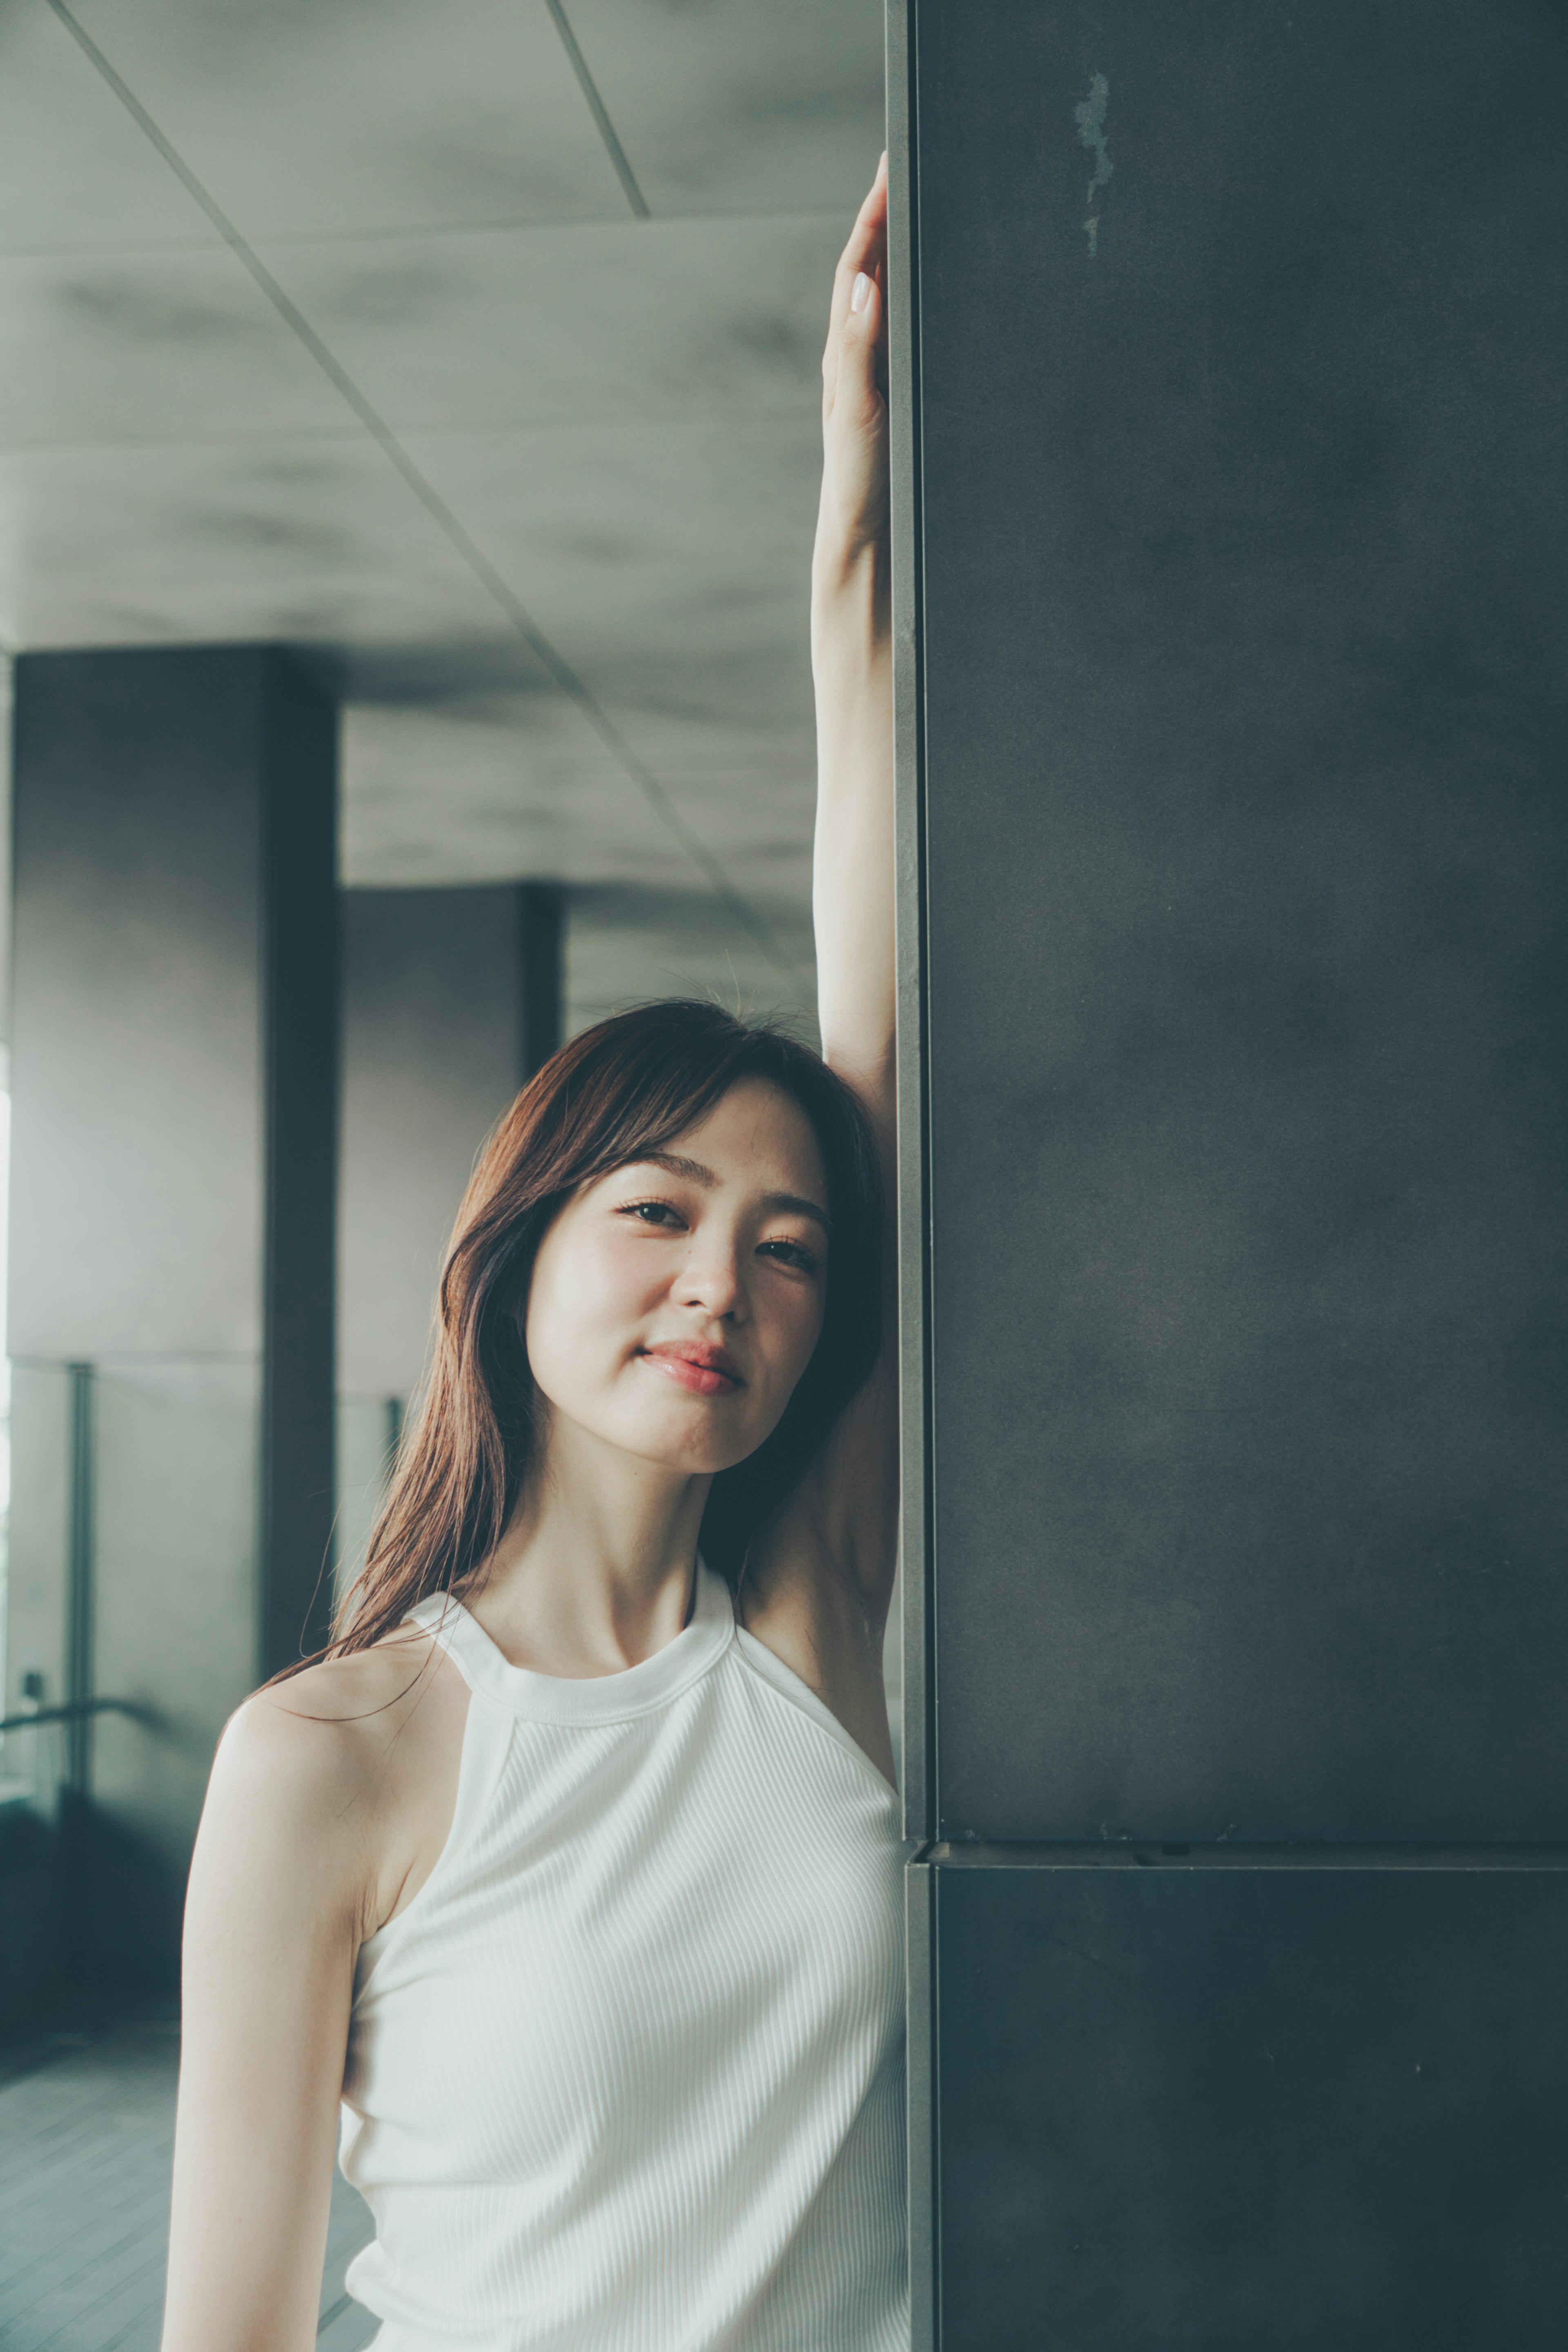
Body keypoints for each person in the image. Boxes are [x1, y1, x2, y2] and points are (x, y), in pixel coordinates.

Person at [160, 156, 900, 2352]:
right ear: (514, 1260)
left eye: (785, 1247)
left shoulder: (807, 1616)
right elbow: (232, 2326)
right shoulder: (338, 1755)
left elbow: (891, 992)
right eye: (657, 1212)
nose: (722, 1285)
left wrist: (859, 509)